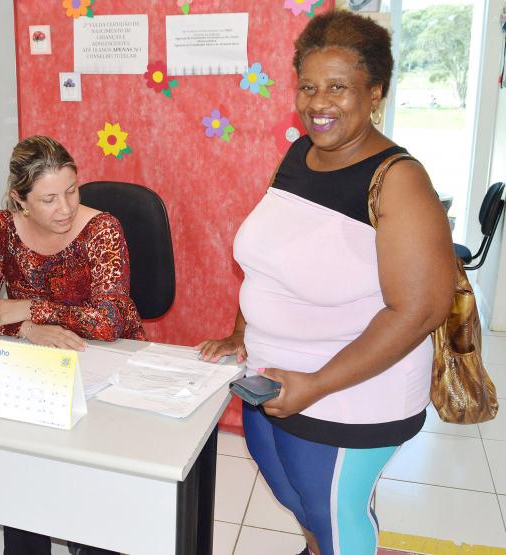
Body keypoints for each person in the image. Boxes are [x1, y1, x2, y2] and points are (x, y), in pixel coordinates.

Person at [196, 11, 454, 555]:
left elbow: (420, 311)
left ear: (375, 91)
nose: (318, 103)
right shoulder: (299, 155)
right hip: (271, 374)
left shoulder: (398, 181)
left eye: (338, 87)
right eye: (308, 87)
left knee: (335, 511)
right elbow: (267, 260)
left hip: (353, 393)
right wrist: (241, 332)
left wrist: (316, 385)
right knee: (296, 497)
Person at [0, 135, 144, 555]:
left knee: (94, 477)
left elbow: (108, 320)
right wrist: (24, 329)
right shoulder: (2, 228)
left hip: (107, 360)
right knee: (23, 469)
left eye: (72, 191)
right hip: (38, 362)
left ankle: (91, 541)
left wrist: (28, 309)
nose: (66, 208)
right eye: (49, 198)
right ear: (21, 200)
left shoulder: (102, 229)